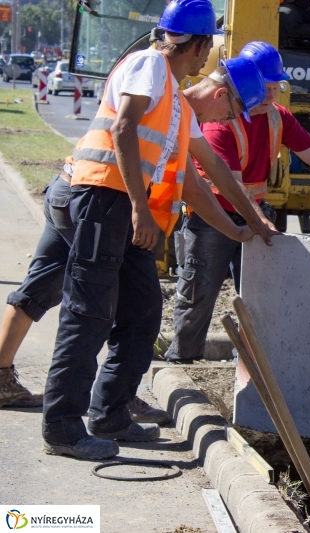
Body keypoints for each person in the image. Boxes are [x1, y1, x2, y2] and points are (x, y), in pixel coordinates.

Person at [39, 0, 268, 461]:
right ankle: (62, 428)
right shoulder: (149, 66)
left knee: (143, 312)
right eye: (209, 45)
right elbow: (123, 128)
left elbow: (206, 176)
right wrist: (141, 209)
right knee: (88, 314)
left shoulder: (176, 101)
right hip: (102, 198)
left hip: (120, 206)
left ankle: (110, 414)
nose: (209, 54)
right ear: (198, 44)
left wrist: (244, 225)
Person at [0, 55, 270, 420]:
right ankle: (110, 404)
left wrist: (241, 227)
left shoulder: (179, 110)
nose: (228, 121)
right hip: (106, 205)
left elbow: (206, 178)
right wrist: (242, 225)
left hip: (68, 191)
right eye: (233, 113)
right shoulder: (170, 104)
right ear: (221, 95)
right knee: (127, 310)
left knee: (39, 291)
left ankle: (6, 378)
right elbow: (195, 184)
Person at [163, 41, 310, 364]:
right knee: (198, 291)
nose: (271, 95)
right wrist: (258, 221)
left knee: (261, 295)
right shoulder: (219, 121)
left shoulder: (277, 117)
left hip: (254, 212)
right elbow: (231, 185)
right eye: (266, 87)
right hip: (214, 216)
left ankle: (252, 364)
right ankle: (182, 359)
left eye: (277, 87)